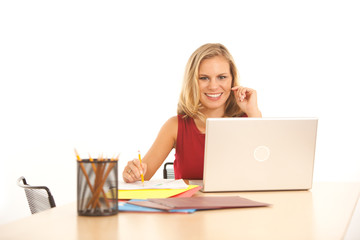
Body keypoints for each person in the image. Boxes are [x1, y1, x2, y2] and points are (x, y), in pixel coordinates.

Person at [123, 43, 262, 183]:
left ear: (232, 79)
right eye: (204, 78)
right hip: (189, 204)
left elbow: (264, 172)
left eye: (222, 77)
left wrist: (253, 112)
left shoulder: (247, 120)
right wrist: (132, 173)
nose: (213, 86)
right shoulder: (175, 126)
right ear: (192, 81)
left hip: (238, 204)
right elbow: (141, 178)